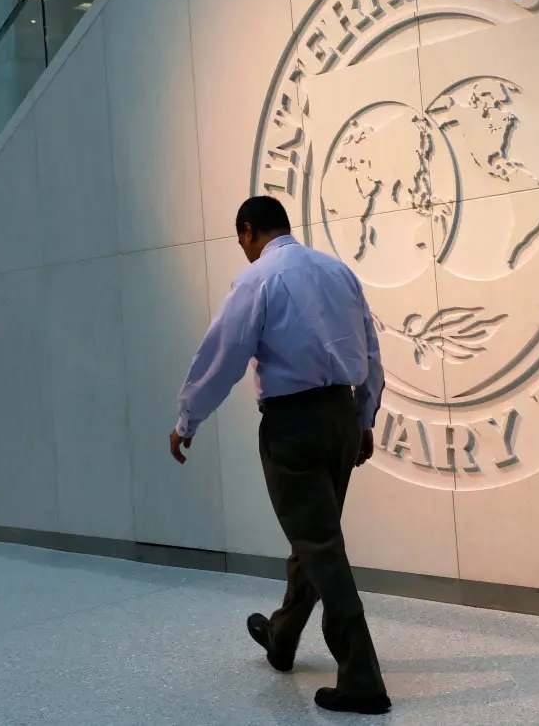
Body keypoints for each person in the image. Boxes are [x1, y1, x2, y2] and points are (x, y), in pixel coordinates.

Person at [168, 196, 391, 715]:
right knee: (313, 537)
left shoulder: (258, 279)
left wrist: (187, 421)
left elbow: (221, 356)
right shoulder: (339, 273)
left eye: (240, 240)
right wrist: (363, 418)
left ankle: (362, 676)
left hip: (293, 424)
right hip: (340, 414)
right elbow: (371, 350)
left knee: (318, 542)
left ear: (247, 231)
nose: (243, 250)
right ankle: (283, 635)